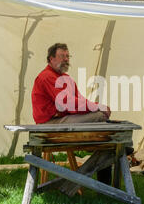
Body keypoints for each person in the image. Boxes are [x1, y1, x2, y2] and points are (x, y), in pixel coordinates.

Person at [31, 43, 113, 184]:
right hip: (48, 125)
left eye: (68, 56)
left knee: (103, 128)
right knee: (100, 117)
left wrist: (96, 107)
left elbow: (79, 100)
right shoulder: (47, 77)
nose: (66, 59)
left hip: (63, 120)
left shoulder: (66, 78)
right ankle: (107, 150)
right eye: (62, 56)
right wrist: (97, 108)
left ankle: (107, 148)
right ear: (51, 59)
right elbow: (68, 103)